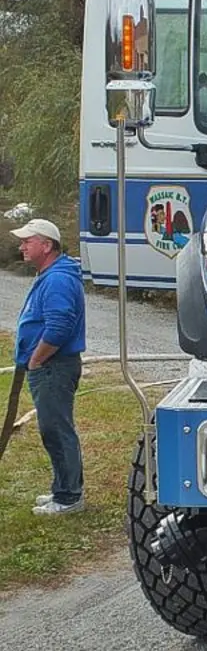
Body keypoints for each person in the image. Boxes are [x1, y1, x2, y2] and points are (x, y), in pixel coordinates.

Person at [12, 219, 87, 515]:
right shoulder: (52, 274)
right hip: (51, 366)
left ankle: (69, 497)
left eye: (27, 241)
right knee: (53, 428)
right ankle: (63, 489)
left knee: (56, 430)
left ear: (46, 245)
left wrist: (36, 359)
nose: (22, 246)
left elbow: (59, 328)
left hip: (54, 366)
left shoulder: (58, 279)